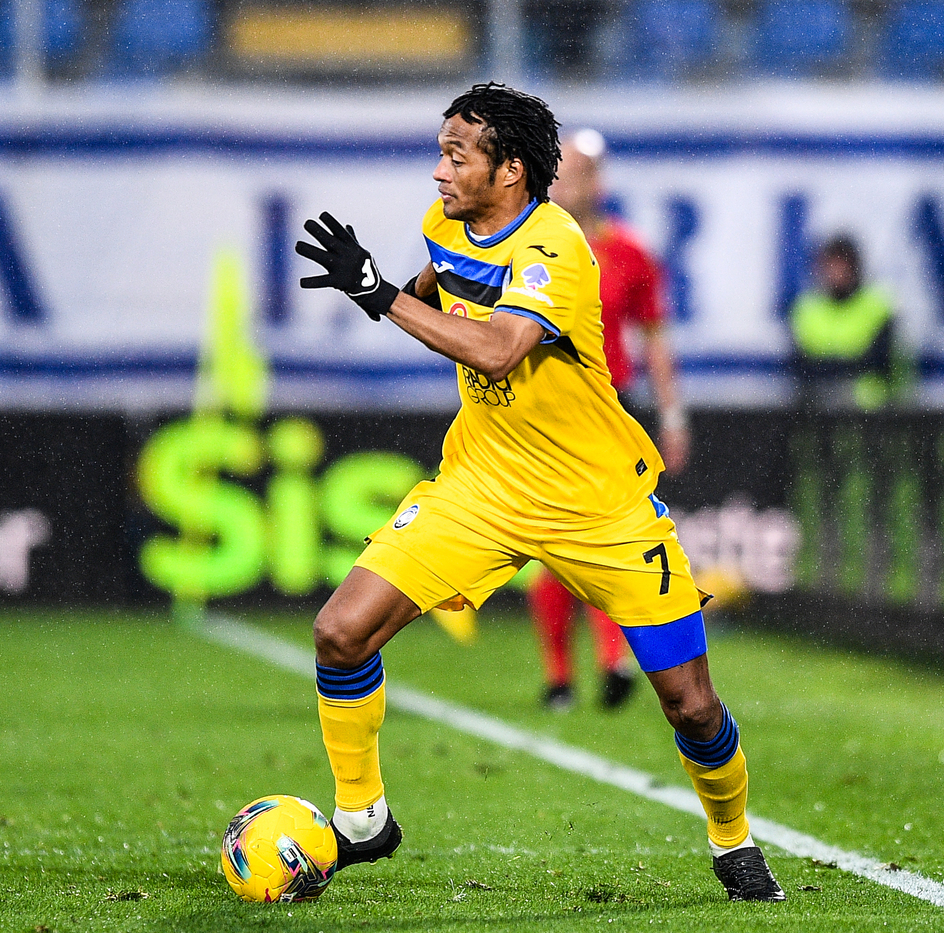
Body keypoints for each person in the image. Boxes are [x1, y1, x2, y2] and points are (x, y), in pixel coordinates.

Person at [293, 82, 784, 902]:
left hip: (598, 504)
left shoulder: (558, 249)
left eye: (458, 154)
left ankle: (732, 839)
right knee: (341, 632)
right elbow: (439, 280)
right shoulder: (445, 222)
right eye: (441, 149)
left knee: (692, 706)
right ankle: (362, 820)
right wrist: (385, 290)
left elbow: (495, 350)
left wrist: (376, 295)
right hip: (480, 485)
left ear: (511, 170)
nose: (440, 169)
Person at [530, 127, 690, 712]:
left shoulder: (628, 252)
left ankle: (601, 664)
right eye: (571, 169)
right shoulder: (523, 248)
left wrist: (672, 413)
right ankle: (564, 674)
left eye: (589, 171)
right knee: (556, 541)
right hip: (541, 413)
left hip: (608, 410)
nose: (581, 181)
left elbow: (654, 338)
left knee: (600, 534)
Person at [789, 235, 899, 408]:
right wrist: (844, 367)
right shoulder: (806, 309)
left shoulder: (878, 306)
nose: (836, 273)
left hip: (870, 410)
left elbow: (880, 363)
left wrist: (829, 368)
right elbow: (799, 365)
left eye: (842, 265)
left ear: (855, 267)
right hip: (817, 405)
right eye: (831, 266)